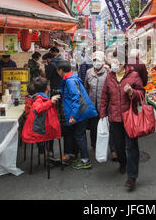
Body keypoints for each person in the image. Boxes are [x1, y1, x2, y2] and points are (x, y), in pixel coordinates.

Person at [99, 54, 144, 191]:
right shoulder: (110, 76)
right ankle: (122, 163)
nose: (113, 64)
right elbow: (104, 97)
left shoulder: (134, 75)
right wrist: (102, 114)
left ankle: (132, 176)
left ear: (123, 63)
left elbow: (142, 93)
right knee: (118, 146)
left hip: (129, 116)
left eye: (116, 62)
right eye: (112, 62)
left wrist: (132, 92)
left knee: (131, 146)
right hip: (114, 118)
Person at [58, 60, 98, 170]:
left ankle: (85, 160)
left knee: (79, 135)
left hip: (80, 112)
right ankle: (79, 156)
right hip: (82, 111)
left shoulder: (70, 81)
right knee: (79, 135)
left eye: (58, 70)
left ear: (61, 70)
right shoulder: (71, 79)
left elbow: (76, 99)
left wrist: (73, 116)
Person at [84, 51, 117, 159]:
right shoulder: (89, 72)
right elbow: (86, 87)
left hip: (107, 105)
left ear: (103, 61)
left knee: (110, 127)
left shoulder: (108, 72)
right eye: (94, 60)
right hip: (93, 105)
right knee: (94, 127)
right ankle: (94, 145)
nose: (96, 63)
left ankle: (113, 150)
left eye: (98, 60)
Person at [22, 77, 61, 144]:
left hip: (41, 128)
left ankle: (47, 151)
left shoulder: (39, 97)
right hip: (41, 130)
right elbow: (37, 109)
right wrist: (50, 102)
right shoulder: (40, 98)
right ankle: (47, 151)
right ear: (47, 87)